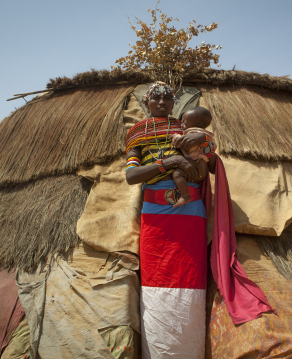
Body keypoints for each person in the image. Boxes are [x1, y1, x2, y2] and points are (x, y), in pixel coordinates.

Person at [125, 82, 211, 359]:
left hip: (190, 209)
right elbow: (131, 176)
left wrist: (201, 144)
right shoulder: (136, 132)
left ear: (173, 103)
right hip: (155, 210)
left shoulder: (182, 127)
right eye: (156, 97)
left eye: (167, 97)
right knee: (156, 274)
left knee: (191, 273)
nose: (162, 101)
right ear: (147, 102)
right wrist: (168, 164)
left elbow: (206, 152)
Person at [169, 107, 216, 207]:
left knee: (177, 174)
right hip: (201, 164)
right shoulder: (207, 136)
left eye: (184, 123)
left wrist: (175, 136)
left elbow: (179, 143)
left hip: (197, 165)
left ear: (198, 125)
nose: (181, 125)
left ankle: (185, 196)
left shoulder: (193, 134)